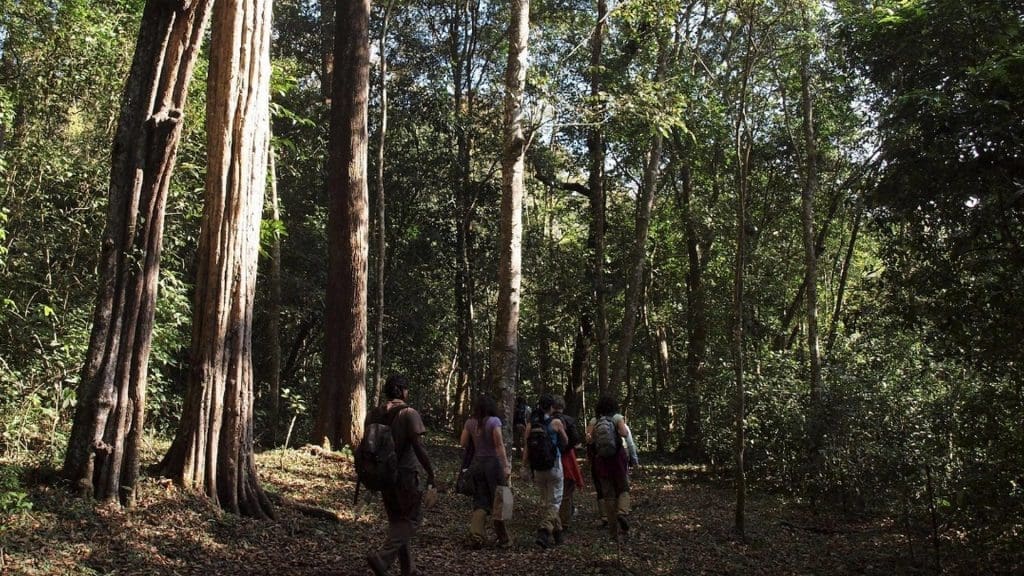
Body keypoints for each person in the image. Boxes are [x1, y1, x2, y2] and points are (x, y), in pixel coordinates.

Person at [366, 374, 436, 576]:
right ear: (401, 390)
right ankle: (382, 557)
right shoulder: (408, 413)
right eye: (406, 389)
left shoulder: (373, 414)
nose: (408, 392)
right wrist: (431, 473)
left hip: (384, 476)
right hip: (405, 474)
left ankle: (409, 569)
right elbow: (418, 446)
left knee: (398, 520)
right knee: (411, 520)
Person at [459, 394, 513, 548]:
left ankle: (476, 536)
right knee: (501, 498)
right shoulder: (494, 421)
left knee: (481, 501)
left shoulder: (470, 422)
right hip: (493, 464)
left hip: (477, 464)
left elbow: (463, 442)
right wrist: (506, 465)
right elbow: (499, 445)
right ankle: (504, 539)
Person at [586, 395, 639, 542]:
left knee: (608, 495)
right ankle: (622, 512)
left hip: (601, 460)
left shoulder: (594, 421)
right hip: (617, 459)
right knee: (623, 488)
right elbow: (624, 433)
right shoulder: (617, 418)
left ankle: (612, 532)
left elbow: (588, 438)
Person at [521, 393, 569, 549]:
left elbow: (527, 447)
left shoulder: (531, 425)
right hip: (554, 465)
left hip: (538, 468)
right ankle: (544, 531)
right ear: (552, 407)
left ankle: (558, 534)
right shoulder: (556, 422)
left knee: (546, 502)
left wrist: (524, 465)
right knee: (555, 503)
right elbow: (566, 441)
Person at [551, 395, 585, 533]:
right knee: (566, 491)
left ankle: (556, 519)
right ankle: (563, 522)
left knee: (552, 493)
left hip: (550, 459)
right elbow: (576, 440)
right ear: (563, 407)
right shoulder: (568, 420)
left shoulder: (546, 420)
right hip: (566, 458)